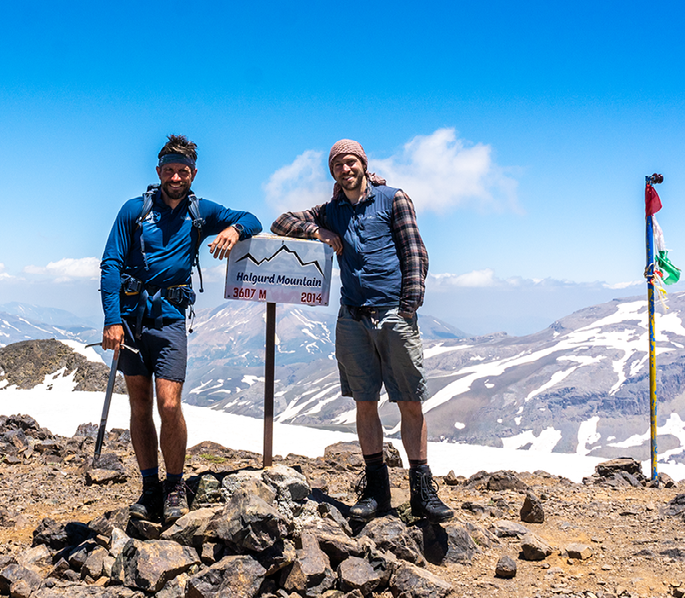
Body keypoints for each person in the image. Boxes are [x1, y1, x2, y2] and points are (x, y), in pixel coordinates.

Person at [271, 139, 453, 522]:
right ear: (333, 172)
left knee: (410, 401)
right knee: (364, 401)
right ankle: (377, 491)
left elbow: (415, 252)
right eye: (337, 165)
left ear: (363, 164)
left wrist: (408, 307)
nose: (345, 169)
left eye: (351, 162)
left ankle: (422, 489)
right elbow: (281, 222)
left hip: (393, 315)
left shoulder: (393, 198)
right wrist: (315, 230)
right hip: (352, 317)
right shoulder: (331, 210)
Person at [101, 135, 261, 522]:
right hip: (133, 319)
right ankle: (149, 487)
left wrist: (234, 231)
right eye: (169, 169)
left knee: (169, 404)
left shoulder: (199, 211)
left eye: (183, 170)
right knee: (140, 405)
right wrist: (112, 319)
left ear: (193, 173)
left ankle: (174, 485)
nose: (176, 176)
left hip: (171, 318)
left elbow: (252, 219)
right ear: (159, 172)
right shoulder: (133, 210)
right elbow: (110, 264)